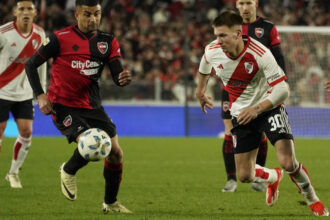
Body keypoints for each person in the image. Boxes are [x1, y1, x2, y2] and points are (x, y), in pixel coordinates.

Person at [195, 11, 328, 216]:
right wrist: (200, 90)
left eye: (222, 35)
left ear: (238, 34)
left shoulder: (260, 52)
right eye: (216, 35)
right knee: (245, 176)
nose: (217, 40)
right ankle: (273, 177)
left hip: (267, 107)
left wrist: (257, 108)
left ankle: (313, 199)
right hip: (241, 112)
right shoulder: (212, 50)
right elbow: (204, 65)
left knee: (288, 161)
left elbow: (283, 89)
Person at [25, 0, 132, 214]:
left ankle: (110, 203)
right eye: (87, 14)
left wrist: (122, 79)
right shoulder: (59, 38)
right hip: (62, 105)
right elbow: (31, 64)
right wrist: (40, 95)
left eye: (96, 14)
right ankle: (68, 169)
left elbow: (116, 74)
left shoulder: (107, 41)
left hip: (92, 106)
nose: (92, 19)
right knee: (92, 142)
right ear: (77, 15)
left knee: (116, 154)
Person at [220, 0, 287, 193]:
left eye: (248, 2)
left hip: (258, 91)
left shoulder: (267, 28)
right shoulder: (229, 26)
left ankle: (258, 177)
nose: (245, 7)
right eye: (241, 3)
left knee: (260, 132)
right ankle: (231, 179)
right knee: (229, 129)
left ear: (255, 3)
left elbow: (278, 57)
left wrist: (282, 83)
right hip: (232, 89)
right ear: (236, 5)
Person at [0, 0, 46, 189]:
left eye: (29, 9)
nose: (25, 12)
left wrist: (41, 92)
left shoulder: (40, 34)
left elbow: (42, 64)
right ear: (15, 12)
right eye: (22, 9)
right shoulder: (3, 33)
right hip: (1, 91)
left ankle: (13, 173)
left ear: (35, 13)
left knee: (26, 132)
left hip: (25, 93)